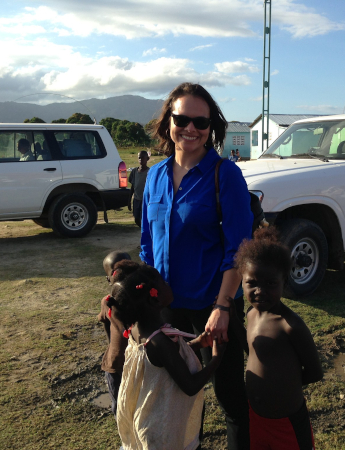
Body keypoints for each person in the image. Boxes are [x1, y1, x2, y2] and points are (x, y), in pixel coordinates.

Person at [142, 82, 253, 449]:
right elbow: (147, 246)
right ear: (168, 122)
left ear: (211, 127)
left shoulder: (225, 175)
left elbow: (239, 249)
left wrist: (223, 307)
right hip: (168, 310)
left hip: (212, 308)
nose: (191, 128)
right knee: (181, 398)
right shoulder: (155, 176)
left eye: (201, 122)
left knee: (229, 396)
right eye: (182, 119)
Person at [107, 261, 226, 450]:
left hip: (149, 420)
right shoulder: (159, 341)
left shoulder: (138, 331)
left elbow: (166, 362)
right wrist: (216, 360)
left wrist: (198, 343)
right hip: (163, 432)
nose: (168, 284)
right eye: (163, 283)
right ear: (154, 299)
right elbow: (190, 385)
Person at [227, 227, 323, 450]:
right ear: (242, 281)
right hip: (257, 418)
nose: (260, 291)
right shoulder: (251, 315)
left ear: (284, 282)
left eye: (270, 283)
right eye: (252, 283)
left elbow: (315, 372)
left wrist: (282, 386)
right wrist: (233, 320)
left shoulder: (290, 326)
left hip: (286, 423)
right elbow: (252, 350)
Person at [97, 251, 132, 418]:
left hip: (136, 363)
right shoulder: (107, 302)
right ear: (108, 279)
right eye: (116, 271)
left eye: (128, 269)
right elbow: (105, 322)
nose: (123, 274)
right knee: (119, 406)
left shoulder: (140, 298)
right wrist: (112, 348)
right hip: (115, 364)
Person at [128, 151, 150, 227]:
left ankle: (144, 231)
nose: (141, 159)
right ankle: (142, 228)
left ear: (147, 159)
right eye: (139, 158)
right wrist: (129, 200)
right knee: (136, 218)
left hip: (146, 200)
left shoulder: (150, 172)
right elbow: (132, 187)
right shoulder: (134, 172)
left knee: (145, 217)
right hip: (137, 199)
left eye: (143, 157)